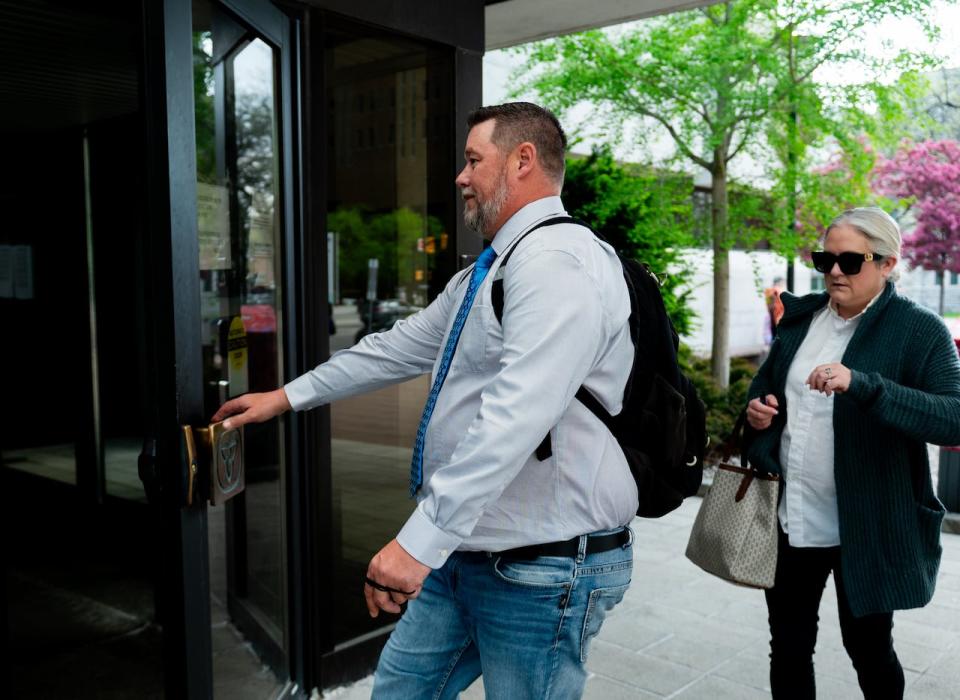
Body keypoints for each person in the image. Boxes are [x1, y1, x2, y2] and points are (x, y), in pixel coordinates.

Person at [212, 102, 637, 699]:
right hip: (470, 551)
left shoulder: (557, 262)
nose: (461, 177)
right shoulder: (488, 272)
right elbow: (395, 349)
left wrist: (419, 543)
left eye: (472, 160)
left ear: (523, 160)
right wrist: (285, 397)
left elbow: (517, 415)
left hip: (542, 567)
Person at [744, 207, 960, 699]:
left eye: (850, 260)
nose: (835, 271)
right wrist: (758, 415)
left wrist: (864, 385)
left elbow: (953, 417)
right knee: (790, 647)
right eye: (825, 258)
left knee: (868, 648)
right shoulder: (800, 320)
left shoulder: (919, 330)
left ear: (887, 263)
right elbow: (763, 395)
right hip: (793, 519)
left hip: (866, 526)